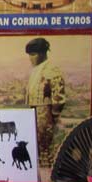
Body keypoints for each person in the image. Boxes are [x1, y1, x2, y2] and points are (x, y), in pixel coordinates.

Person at [24, 37, 66, 167]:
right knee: (36, 145)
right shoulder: (36, 70)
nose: (31, 58)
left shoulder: (51, 70)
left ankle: (47, 172)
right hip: (34, 111)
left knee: (44, 147)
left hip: (44, 112)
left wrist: (53, 115)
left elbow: (58, 96)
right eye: (30, 55)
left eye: (33, 54)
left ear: (42, 53)